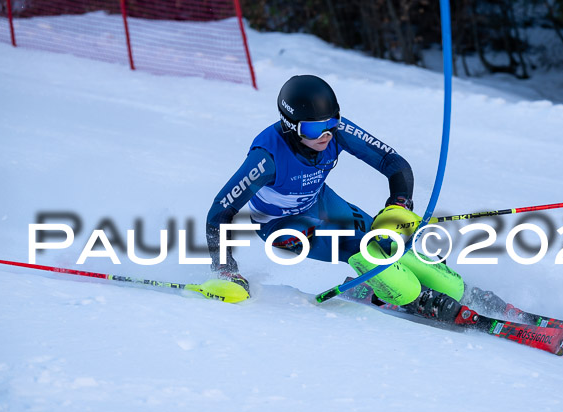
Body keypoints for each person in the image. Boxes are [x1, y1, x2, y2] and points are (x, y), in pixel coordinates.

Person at [206, 74, 510, 322]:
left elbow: (395, 164)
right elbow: (219, 213)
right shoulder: (266, 158)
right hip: (282, 225)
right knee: (356, 244)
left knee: (387, 239)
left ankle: (458, 289)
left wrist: (398, 207)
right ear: (290, 126)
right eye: (313, 128)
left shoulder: (335, 131)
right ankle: (413, 298)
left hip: (319, 200)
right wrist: (226, 269)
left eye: (331, 123)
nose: (325, 135)